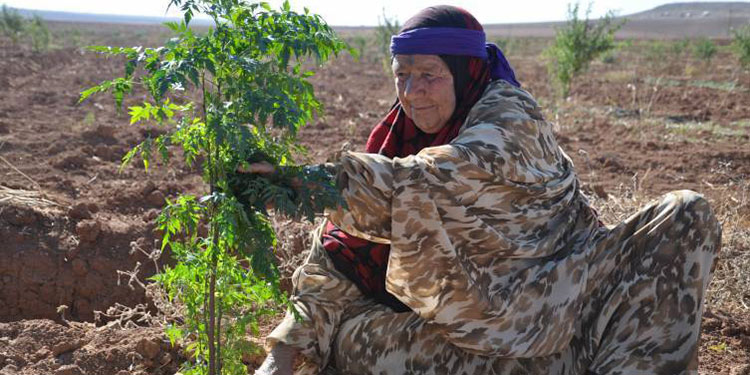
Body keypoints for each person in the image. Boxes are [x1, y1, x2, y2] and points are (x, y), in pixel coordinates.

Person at [252, 5, 721, 375]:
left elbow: (437, 181)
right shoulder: (398, 139)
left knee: (686, 213)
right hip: (487, 338)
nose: (412, 91)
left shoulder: (509, 122)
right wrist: (284, 354)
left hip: (573, 303)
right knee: (354, 338)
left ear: (465, 71)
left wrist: (307, 183)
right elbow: (338, 251)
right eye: (401, 75)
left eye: (429, 75)